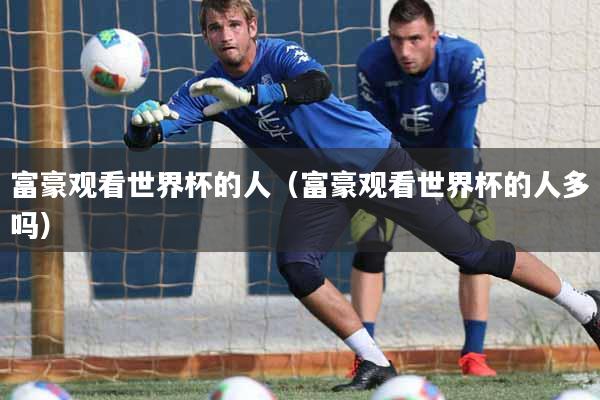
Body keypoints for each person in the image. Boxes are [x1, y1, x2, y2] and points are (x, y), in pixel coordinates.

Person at [123, 0, 600, 392]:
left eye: (233, 25)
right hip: (321, 186)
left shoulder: (280, 55)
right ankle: (375, 362)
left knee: (473, 252)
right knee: (296, 265)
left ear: (252, 27)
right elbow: (149, 136)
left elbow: (317, 85)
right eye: (215, 28)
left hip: (374, 162)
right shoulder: (203, 89)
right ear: (205, 35)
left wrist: (251, 98)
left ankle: (586, 307)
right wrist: (141, 124)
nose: (226, 35)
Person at [348, 0, 496, 377]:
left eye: (414, 39)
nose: (405, 50)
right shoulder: (371, 62)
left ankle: (474, 356)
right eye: (397, 40)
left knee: (475, 246)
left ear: (434, 36)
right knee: (369, 242)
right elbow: (376, 135)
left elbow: (462, 135)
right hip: (393, 154)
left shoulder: (466, 59)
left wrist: (453, 188)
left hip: (451, 153)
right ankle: (366, 357)